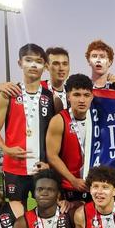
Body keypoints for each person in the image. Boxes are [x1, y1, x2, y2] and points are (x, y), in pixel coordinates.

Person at [0, 43, 63, 213]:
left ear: (44, 67)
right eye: (28, 60)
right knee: (17, 216)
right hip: (15, 168)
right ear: (19, 63)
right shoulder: (8, 93)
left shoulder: (52, 98)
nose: (33, 65)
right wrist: (6, 149)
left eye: (38, 61)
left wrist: (51, 163)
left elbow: (60, 136)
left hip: (42, 167)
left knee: (47, 214)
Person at [45, 74, 93, 204]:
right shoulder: (59, 120)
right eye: (77, 95)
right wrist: (73, 180)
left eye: (86, 95)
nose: (82, 100)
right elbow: (52, 156)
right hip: (69, 185)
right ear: (68, 96)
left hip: (94, 186)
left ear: (92, 97)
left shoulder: (97, 119)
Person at [0, 47, 71, 108]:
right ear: (46, 66)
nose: (61, 68)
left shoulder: (72, 92)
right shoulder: (35, 87)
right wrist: (0, 88)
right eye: (56, 63)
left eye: (65, 64)